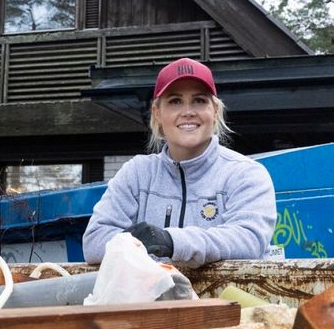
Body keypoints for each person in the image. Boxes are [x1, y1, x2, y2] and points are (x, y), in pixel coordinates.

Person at [82, 57, 278, 268]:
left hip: (228, 299)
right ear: (157, 113)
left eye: (199, 100)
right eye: (175, 101)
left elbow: (249, 239)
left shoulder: (245, 173)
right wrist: (135, 242)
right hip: (152, 300)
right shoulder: (137, 173)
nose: (187, 112)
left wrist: (171, 241)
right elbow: (94, 241)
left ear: (215, 111)